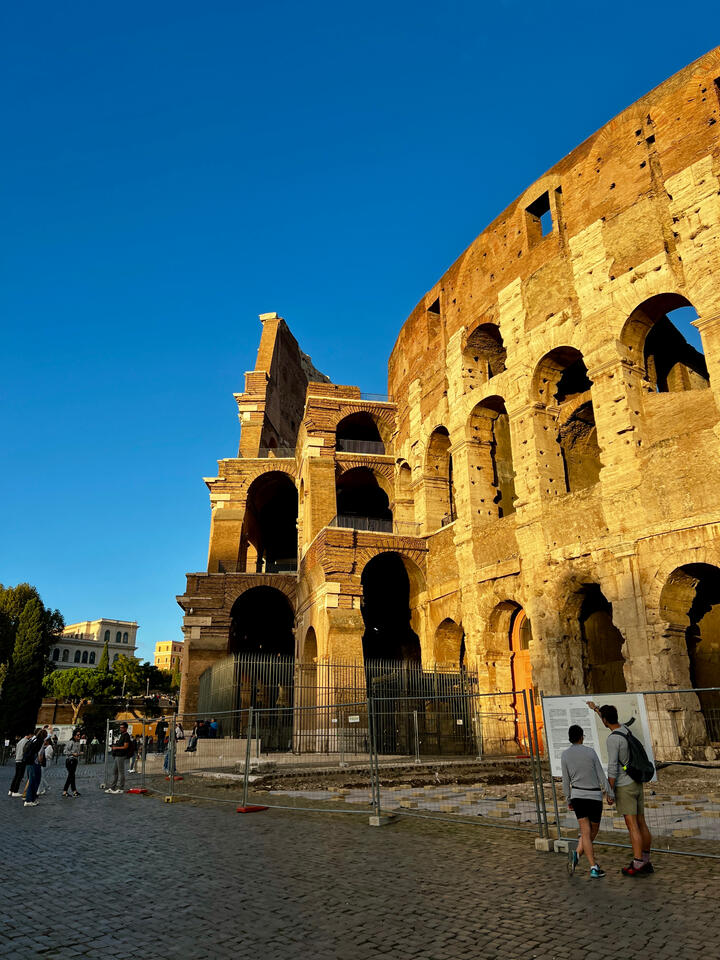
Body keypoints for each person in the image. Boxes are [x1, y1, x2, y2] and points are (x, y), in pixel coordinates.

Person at [588, 701, 654, 876]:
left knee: (632, 825)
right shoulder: (625, 730)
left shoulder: (613, 739)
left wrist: (610, 791)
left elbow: (612, 768)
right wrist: (596, 709)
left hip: (624, 786)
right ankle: (646, 860)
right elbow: (608, 718)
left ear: (604, 720)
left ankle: (638, 863)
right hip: (636, 783)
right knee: (641, 822)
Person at [560, 724, 612, 879]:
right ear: (582, 736)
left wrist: (568, 798)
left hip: (577, 797)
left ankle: (577, 855)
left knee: (586, 833)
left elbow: (565, 780)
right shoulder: (590, 752)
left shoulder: (565, 755)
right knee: (591, 831)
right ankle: (593, 866)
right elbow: (601, 775)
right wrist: (610, 792)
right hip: (594, 797)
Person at [21, 729, 46, 807]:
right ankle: (29, 800)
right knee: (34, 781)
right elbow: (40, 754)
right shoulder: (40, 742)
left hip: (29, 762)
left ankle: (31, 799)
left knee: (32, 781)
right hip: (34, 762)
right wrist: (41, 761)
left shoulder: (33, 739)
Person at [106, 722, 132, 794]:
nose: (121, 729)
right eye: (120, 727)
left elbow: (125, 746)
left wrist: (116, 747)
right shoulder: (121, 735)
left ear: (126, 728)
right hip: (117, 755)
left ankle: (121, 788)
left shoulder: (126, 736)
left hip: (121, 755)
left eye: (122, 727)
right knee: (114, 772)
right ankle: (112, 787)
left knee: (121, 772)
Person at [8, 731, 33, 797]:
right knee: (19, 776)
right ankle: (15, 791)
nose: (31, 737)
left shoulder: (20, 741)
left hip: (17, 759)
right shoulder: (26, 741)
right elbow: (25, 751)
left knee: (16, 776)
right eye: (31, 735)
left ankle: (11, 790)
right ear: (29, 735)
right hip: (22, 760)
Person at [63, 730, 83, 797]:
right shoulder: (71, 742)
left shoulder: (78, 743)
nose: (79, 736)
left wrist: (79, 754)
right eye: (77, 735)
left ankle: (74, 791)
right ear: (74, 736)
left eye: (79, 735)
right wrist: (72, 754)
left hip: (75, 760)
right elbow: (65, 751)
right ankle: (65, 791)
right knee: (71, 776)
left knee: (72, 776)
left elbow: (77, 753)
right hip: (70, 760)